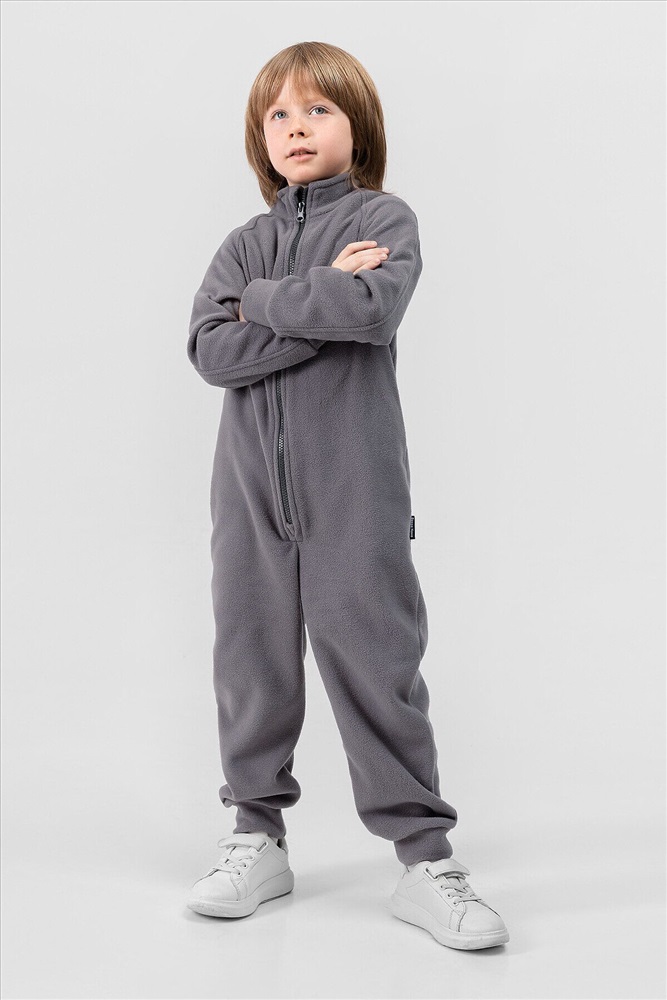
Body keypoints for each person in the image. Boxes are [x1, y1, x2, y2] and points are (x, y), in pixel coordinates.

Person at [185, 41, 509, 951]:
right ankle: (256, 837)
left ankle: (424, 858)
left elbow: (370, 311)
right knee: (250, 662)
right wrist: (317, 295)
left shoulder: (384, 218)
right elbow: (210, 352)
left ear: (355, 126)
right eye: (278, 115)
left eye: (317, 109)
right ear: (260, 137)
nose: (296, 127)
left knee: (377, 661)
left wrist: (262, 303)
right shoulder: (241, 245)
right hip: (248, 497)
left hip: (356, 490)